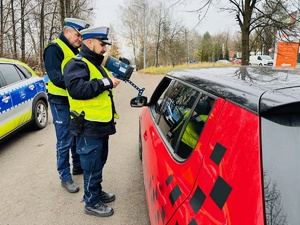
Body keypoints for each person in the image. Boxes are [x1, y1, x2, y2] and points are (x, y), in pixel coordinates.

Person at [62, 26, 121, 217]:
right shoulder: (76, 63)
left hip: (100, 124)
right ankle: (91, 202)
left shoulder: (95, 64)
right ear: (89, 43)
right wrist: (106, 83)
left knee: (98, 162)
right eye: (102, 44)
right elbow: (77, 89)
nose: (104, 48)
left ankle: (96, 191)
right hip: (88, 126)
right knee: (91, 165)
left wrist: (108, 81)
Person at [43, 18, 90, 193]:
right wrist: (78, 85)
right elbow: (55, 77)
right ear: (67, 31)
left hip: (73, 100)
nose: (80, 39)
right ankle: (65, 176)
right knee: (64, 140)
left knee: (76, 133)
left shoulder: (75, 50)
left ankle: (77, 166)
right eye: (78, 35)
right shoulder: (54, 49)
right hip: (59, 100)